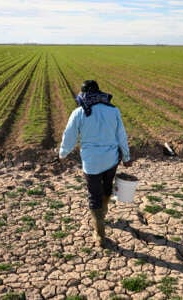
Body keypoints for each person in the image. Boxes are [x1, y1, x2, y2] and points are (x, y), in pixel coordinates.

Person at [59, 80, 132, 247]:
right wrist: (127, 157)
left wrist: (63, 153)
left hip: (91, 162)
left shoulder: (79, 112)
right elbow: (121, 135)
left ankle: (99, 233)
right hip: (111, 160)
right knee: (107, 188)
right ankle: (103, 213)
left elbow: (69, 135)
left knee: (94, 194)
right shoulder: (113, 111)